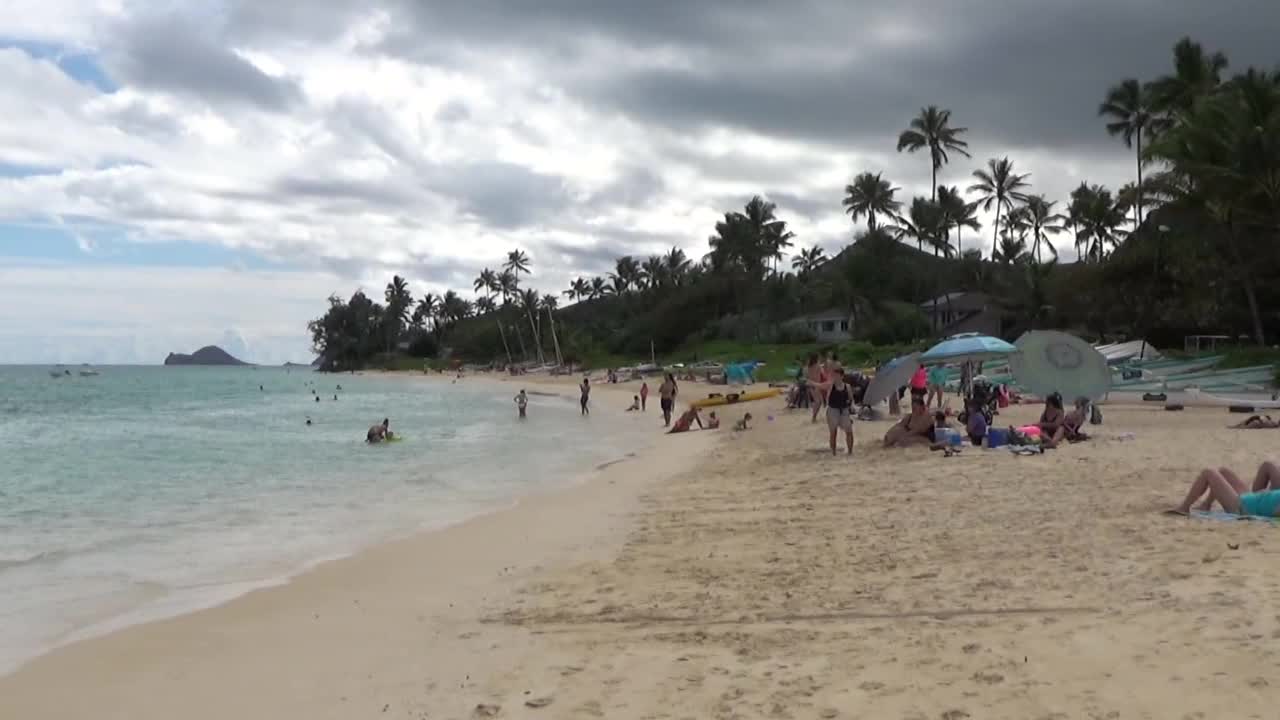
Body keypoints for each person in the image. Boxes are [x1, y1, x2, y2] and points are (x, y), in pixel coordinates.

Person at [1169, 462, 1280, 517]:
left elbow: (1275, 512)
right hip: (1252, 498)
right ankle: (1206, 505)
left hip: (1242, 507)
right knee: (1223, 471)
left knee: (1208, 473)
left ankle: (1184, 508)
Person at [825, 373, 855, 455]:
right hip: (833, 410)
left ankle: (850, 451)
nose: (836, 377)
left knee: (849, 431)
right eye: (834, 376)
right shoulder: (831, 386)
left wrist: (851, 406)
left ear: (842, 376)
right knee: (833, 433)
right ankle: (833, 452)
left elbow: (851, 398)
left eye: (837, 376)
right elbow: (827, 398)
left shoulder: (847, 386)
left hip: (844, 410)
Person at [806, 354, 825, 423]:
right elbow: (823, 373)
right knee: (818, 402)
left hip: (810, 384)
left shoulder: (809, 366)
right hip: (816, 385)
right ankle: (814, 417)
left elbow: (807, 375)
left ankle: (814, 417)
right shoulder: (818, 366)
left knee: (818, 401)